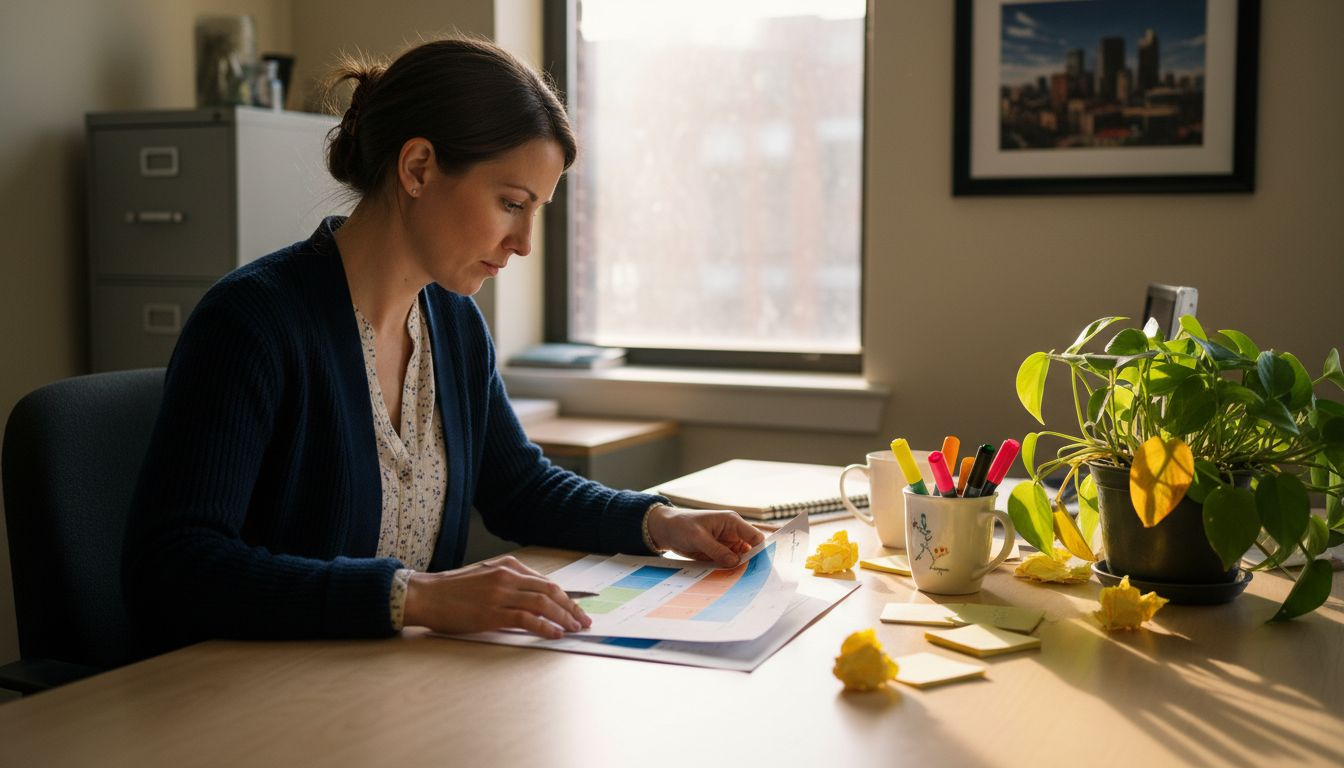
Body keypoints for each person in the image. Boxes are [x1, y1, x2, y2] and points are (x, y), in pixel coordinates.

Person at [122, 36, 763, 653]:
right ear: (418, 168)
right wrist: (415, 598)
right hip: (249, 690)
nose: (524, 243)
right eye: (511, 203)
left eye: (535, 210)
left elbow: (518, 488)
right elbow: (174, 565)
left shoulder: (452, 324)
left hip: (388, 681)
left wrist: (660, 522)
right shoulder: (252, 322)